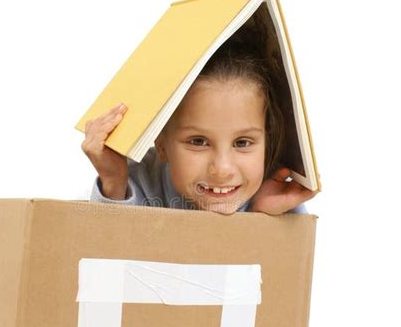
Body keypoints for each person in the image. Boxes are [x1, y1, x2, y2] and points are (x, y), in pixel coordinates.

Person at [81, 37, 317, 216]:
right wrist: (113, 183)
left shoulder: (274, 197)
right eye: (198, 141)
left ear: (267, 142)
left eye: (242, 142)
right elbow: (105, 261)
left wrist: (259, 216)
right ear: (160, 143)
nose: (222, 169)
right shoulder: (135, 184)